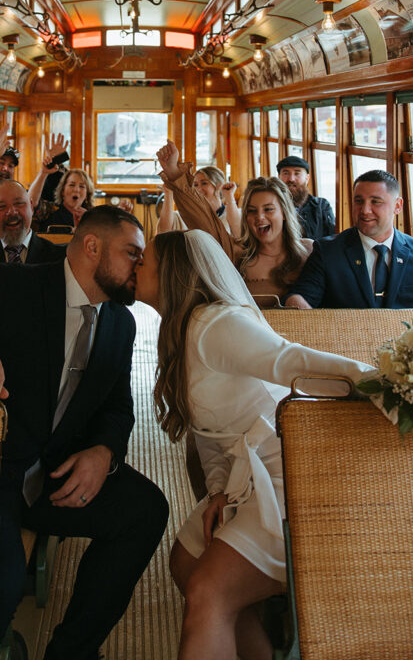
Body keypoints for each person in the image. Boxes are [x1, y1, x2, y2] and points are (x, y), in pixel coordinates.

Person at [0, 206, 168, 660]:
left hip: (56, 476)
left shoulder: (120, 322)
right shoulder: (9, 285)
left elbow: (118, 407)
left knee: (146, 510)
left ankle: (70, 651)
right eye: (132, 254)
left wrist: (104, 452)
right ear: (91, 247)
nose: (139, 267)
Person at [134, 229, 371, 660]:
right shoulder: (181, 328)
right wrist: (218, 489)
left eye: (142, 262)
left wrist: (385, 383)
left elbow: (291, 361)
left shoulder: (215, 323)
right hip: (245, 478)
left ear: (171, 274)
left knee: (209, 590)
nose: (135, 268)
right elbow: (210, 436)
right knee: (186, 567)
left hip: (288, 479)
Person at [156, 141, 312, 305]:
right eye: (252, 211)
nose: (259, 217)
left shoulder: (308, 252)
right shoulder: (237, 253)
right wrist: (173, 172)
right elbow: (202, 221)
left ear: (284, 213)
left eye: (268, 209)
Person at [284, 169, 413, 309]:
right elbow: (301, 297)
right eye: (359, 201)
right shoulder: (328, 251)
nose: (365, 210)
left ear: (398, 206)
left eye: (375, 202)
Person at [156, 167, 241, 238]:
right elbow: (162, 234)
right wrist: (168, 194)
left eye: (204, 183)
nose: (199, 189)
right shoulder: (180, 216)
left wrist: (229, 196)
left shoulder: (232, 215)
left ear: (219, 185)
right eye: (195, 185)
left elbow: (238, 235)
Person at [276, 156, 335, 240]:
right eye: (286, 173)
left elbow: (333, 237)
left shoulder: (321, 206)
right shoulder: (270, 206)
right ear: (279, 177)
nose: (291, 179)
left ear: (307, 178)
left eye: (297, 173)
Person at [36, 168, 94, 232]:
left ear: (87, 195)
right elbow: (31, 203)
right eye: (72, 185)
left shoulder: (92, 216)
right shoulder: (50, 210)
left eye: (82, 186)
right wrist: (43, 173)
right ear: (62, 191)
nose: (76, 190)